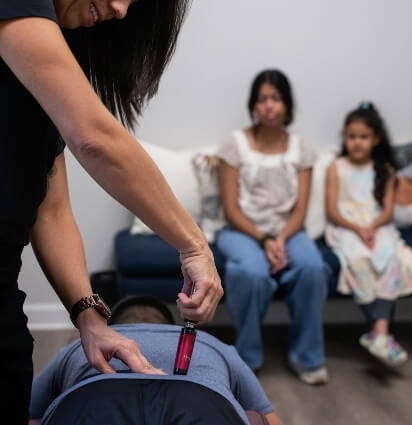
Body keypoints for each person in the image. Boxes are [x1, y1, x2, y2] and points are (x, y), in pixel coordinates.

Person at [0, 1, 223, 423]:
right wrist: (195, 246)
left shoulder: (50, 61)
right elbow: (94, 138)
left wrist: (89, 317)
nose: (121, 9)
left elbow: (51, 209)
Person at [216, 69, 329, 385]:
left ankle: (308, 357)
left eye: (276, 98)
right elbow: (231, 209)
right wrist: (265, 239)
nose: (269, 106)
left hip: (288, 231)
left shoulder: (301, 148)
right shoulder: (233, 144)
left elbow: (300, 209)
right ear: (253, 104)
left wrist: (279, 238)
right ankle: (248, 358)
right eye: (263, 99)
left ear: (287, 105)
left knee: (312, 268)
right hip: (242, 230)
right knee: (250, 272)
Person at [29, 295, 283, 425]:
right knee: (253, 416)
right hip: (202, 410)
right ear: (170, 327)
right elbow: (270, 418)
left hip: (92, 408)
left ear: (115, 326)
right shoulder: (213, 344)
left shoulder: (79, 346)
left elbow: (28, 413)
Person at [325, 102, 412, 367]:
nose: (357, 143)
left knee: (391, 256)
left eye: (364, 137)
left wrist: (372, 228)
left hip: (378, 225)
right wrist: (358, 229)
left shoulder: (386, 170)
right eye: (352, 137)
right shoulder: (336, 167)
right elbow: (332, 210)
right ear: (345, 138)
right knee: (359, 258)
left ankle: (379, 332)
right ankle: (381, 334)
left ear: (375, 139)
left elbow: (387, 211)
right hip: (346, 226)